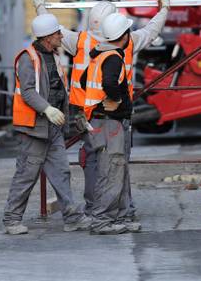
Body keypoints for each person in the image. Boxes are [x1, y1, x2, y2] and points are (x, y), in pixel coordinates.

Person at [34, 0, 169, 221]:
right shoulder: (125, 42)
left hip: (83, 113)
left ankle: (94, 207)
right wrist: (164, 9)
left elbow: (53, 32)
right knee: (117, 163)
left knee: (93, 161)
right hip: (112, 114)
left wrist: (40, 8)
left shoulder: (81, 40)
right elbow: (150, 31)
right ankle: (120, 210)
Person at [2, 14, 91, 235]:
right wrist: (47, 109)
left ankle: (72, 218)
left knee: (61, 172)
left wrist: (70, 117)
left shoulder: (52, 56)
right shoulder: (28, 58)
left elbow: (59, 90)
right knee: (26, 175)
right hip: (34, 128)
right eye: (58, 33)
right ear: (47, 36)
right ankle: (12, 220)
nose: (62, 35)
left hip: (53, 128)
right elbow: (29, 92)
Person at [83, 13, 138, 234]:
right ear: (123, 36)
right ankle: (101, 220)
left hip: (101, 122)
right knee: (112, 171)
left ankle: (115, 217)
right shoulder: (113, 57)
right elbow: (108, 83)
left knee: (113, 170)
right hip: (110, 124)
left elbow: (84, 79)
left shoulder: (99, 55)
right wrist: (115, 99)